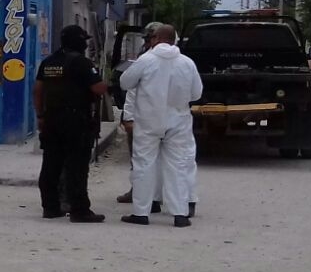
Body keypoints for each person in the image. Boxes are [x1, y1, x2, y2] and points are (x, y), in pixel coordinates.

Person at [119, 23, 202, 227]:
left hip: (148, 122)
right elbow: (196, 93)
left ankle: (141, 213)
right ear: (174, 40)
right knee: (178, 165)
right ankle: (180, 214)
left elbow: (125, 82)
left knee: (144, 165)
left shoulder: (146, 60)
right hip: (178, 122)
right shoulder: (187, 63)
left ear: (155, 38)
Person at [34, 23, 108, 222]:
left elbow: (38, 90)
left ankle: (50, 207)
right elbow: (99, 89)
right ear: (79, 42)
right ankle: (80, 210)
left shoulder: (48, 62)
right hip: (76, 121)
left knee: (51, 165)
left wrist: (40, 116)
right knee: (77, 167)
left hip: (51, 120)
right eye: (84, 40)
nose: (85, 44)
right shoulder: (82, 63)